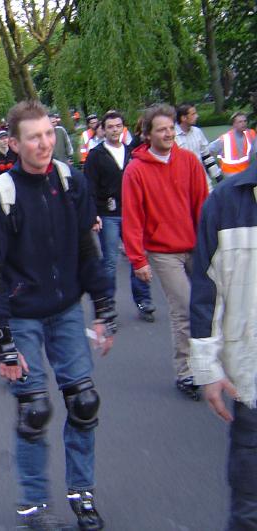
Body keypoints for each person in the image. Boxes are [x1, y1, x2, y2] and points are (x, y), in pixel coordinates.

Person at [0, 100, 116, 530]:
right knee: (34, 410)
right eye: (34, 137)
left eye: (49, 134)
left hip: (66, 309)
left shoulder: (71, 182)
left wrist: (104, 306)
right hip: (22, 316)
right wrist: (1, 339)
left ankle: (82, 493)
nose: (44, 143)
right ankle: (34, 505)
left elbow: (87, 248)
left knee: (84, 403)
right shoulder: (0, 197)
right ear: (14, 144)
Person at [122, 103, 209, 400]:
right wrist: (138, 260)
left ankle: (209, 363)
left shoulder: (189, 161)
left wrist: (209, 244)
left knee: (209, 305)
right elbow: (133, 218)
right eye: (162, 130)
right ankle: (186, 372)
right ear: (147, 134)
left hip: (195, 245)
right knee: (183, 308)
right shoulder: (135, 171)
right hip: (163, 251)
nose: (169, 133)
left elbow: (202, 204)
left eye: (171, 128)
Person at [190, 159, 257, 531]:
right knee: (249, 507)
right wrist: (208, 368)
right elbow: (206, 291)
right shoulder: (226, 202)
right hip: (252, 381)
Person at [83, 110, 156, 322]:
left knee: (138, 257)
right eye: (110, 127)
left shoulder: (133, 152)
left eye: (118, 126)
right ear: (103, 130)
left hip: (133, 214)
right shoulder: (96, 155)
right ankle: (108, 305)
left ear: (123, 128)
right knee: (110, 261)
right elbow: (89, 187)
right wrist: (93, 214)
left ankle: (144, 301)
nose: (114, 130)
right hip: (109, 214)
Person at [175, 103, 222, 190]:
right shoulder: (172, 136)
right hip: (183, 182)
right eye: (193, 114)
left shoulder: (197, 132)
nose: (197, 116)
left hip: (202, 179)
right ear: (183, 118)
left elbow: (207, 156)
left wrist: (218, 176)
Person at [209, 112, 256, 179]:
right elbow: (208, 150)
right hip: (230, 174)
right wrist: (214, 169)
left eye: (245, 121)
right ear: (234, 124)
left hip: (245, 171)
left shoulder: (250, 134)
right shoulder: (225, 138)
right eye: (240, 122)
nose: (243, 123)